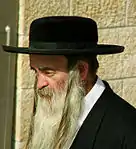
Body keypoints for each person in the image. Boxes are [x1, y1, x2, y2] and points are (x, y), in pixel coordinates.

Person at [2, 16, 136, 149]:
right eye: (35, 71)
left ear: (81, 70)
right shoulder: (52, 110)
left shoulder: (127, 130)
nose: (39, 84)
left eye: (48, 72)